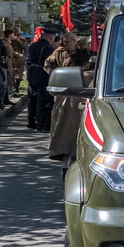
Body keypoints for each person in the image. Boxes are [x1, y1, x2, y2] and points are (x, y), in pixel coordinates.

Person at [46, 33, 91, 171]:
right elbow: (48, 64)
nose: (65, 44)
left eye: (68, 41)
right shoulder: (59, 53)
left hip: (82, 96)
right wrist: (56, 75)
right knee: (66, 134)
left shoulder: (88, 58)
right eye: (64, 41)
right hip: (64, 96)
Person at [26, 30, 55, 131]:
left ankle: (30, 120)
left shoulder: (33, 45)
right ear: (51, 38)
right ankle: (40, 122)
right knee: (41, 99)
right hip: (42, 73)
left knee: (31, 97)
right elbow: (47, 63)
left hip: (31, 72)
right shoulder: (48, 48)